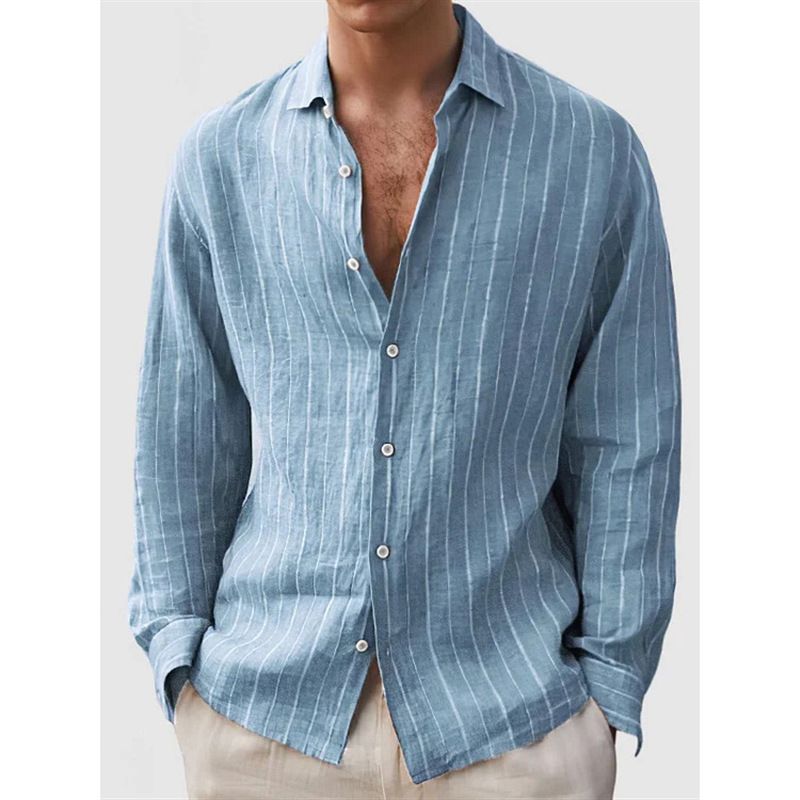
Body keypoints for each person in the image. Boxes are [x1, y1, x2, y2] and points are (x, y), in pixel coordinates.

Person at [128, 1, 681, 797]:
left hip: (515, 724)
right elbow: (181, 436)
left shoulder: (590, 152)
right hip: (264, 729)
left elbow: (628, 437)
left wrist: (610, 687)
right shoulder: (220, 160)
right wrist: (179, 666)